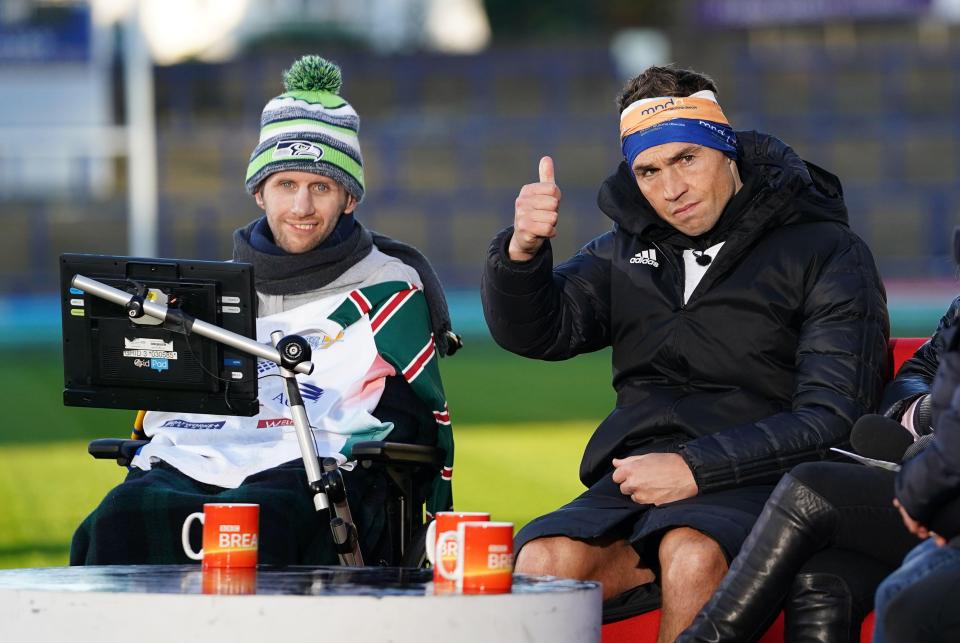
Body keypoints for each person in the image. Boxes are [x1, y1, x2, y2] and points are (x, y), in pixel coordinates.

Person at [480, 64, 888, 641]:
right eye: (648, 171)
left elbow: (835, 416)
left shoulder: (827, 251)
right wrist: (522, 255)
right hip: (641, 479)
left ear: (727, 151)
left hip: (770, 478)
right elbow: (541, 332)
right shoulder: (625, 249)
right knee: (542, 559)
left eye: (686, 160)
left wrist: (696, 469)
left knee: (691, 552)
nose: (671, 190)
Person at [71, 55, 456, 566]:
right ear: (259, 192)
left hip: (321, 462)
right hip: (207, 452)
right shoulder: (210, 291)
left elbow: (411, 421)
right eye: (285, 185)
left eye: (321, 187)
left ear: (349, 199)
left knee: (261, 517)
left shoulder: (387, 285)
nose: (301, 207)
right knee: (121, 514)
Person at [678, 298, 960, 642]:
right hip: (935, 486)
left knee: (810, 486)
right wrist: (923, 413)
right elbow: (921, 371)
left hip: (943, 494)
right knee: (824, 578)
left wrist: (929, 471)